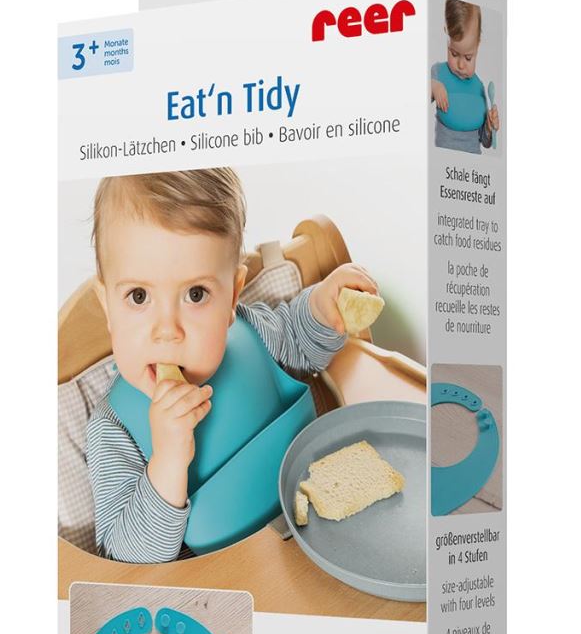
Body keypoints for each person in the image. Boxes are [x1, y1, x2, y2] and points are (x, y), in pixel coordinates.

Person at [86, 168, 377, 562]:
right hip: (233, 585)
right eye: (138, 296)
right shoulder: (114, 429)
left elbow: (299, 341)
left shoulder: (250, 333)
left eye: (195, 294)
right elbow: (124, 560)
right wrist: (167, 462)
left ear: (232, 297)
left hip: (329, 530)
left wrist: (325, 309)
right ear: (107, 307)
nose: (167, 331)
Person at [430, 0, 500, 154]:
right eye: (454, 54)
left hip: (471, 166)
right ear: (446, 35)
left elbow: (485, 141)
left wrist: (489, 128)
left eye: (468, 58)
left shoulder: (479, 87)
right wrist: (432, 86)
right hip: (444, 161)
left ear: (478, 45)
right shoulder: (438, 72)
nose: (461, 65)